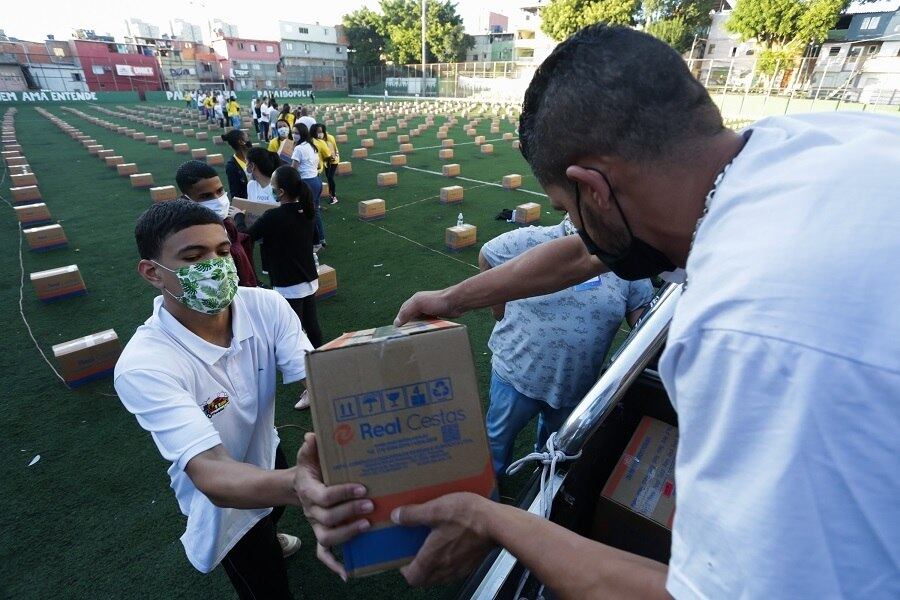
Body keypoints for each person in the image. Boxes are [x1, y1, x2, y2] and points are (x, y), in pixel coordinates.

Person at [301, 24, 900, 597]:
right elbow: (585, 254)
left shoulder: (740, 329)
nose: (581, 230)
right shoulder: (816, 140)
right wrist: (452, 298)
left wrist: (493, 521)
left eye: (570, 206)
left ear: (593, 189)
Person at [113, 199, 313, 599]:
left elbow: (318, 379)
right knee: (265, 583)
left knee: (272, 513)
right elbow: (211, 472)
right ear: (153, 272)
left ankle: (271, 532)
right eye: (193, 257)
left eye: (223, 252)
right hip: (222, 502)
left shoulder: (266, 306)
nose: (217, 266)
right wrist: (307, 486)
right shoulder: (144, 365)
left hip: (266, 451)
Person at [480, 218, 653, 475]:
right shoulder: (530, 240)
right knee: (497, 441)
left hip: (574, 384)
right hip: (516, 374)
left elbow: (641, 309)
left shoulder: (624, 259)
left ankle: (542, 484)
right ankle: (489, 488)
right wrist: (498, 305)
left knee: (557, 450)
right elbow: (487, 255)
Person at [234, 164, 323, 363]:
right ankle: (321, 359)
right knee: (312, 324)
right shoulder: (308, 210)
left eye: (273, 187)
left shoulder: (273, 217)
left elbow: (246, 236)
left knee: (293, 329)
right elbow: (314, 239)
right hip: (309, 277)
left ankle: (303, 367)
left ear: (280, 192)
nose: (271, 190)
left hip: (288, 282)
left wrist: (238, 217)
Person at [175, 160, 257, 287]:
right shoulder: (190, 240)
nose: (218, 200)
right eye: (206, 196)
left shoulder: (228, 224)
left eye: (220, 191)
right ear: (187, 200)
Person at [289, 123, 325, 249]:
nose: (294, 135)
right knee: (315, 211)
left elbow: (293, 169)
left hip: (306, 182)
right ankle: (321, 238)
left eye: (296, 133)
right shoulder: (311, 145)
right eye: (293, 132)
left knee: (308, 213)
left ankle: (315, 242)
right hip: (316, 180)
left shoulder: (299, 149)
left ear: (302, 134)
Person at [310, 123, 340, 205]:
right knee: (327, 177)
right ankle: (329, 193)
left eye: (321, 131)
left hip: (333, 160)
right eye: (317, 132)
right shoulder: (314, 140)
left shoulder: (329, 138)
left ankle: (333, 196)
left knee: (330, 177)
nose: (319, 133)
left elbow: (332, 152)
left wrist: (330, 158)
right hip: (325, 161)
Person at [222, 129, 251, 201]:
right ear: (241, 142)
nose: (249, 140)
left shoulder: (256, 155)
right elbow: (235, 192)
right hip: (249, 202)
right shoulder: (232, 166)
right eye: (247, 138)